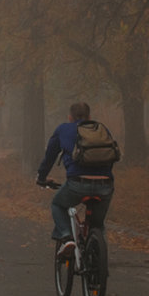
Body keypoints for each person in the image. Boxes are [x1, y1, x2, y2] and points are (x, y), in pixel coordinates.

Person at [35, 102, 115, 257]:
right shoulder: (102, 129)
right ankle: (99, 258)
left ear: (70, 117)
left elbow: (49, 157)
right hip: (105, 185)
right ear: (89, 117)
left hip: (77, 184)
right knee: (97, 225)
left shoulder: (63, 129)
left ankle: (67, 238)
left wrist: (42, 177)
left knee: (57, 204)